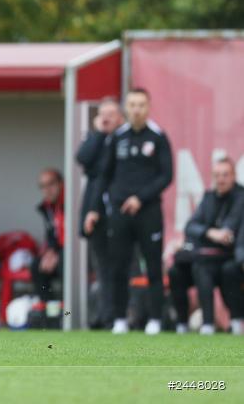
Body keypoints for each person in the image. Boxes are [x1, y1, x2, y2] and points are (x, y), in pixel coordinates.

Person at [100, 88, 173, 335]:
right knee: (118, 267)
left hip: (148, 211)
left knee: (153, 266)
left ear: (149, 107)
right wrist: (97, 208)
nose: (137, 109)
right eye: (132, 105)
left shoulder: (158, 137)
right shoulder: (117, 137)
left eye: (141, 104)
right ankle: (120, 318)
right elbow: (105, 175)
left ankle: (155, 319)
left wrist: (140, 198)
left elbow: (167, 175)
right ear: (126, 108)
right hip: (120, 213)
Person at [174, 158, 243, 335]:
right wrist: (210, 232)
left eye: (225, 175)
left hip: (233, 257)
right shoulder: (208, 197)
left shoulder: (241, 197)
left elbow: (231, 231)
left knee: (229, 270)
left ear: (234, 176)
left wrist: (221, 234)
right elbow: (191, 226)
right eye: (217, 175)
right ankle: (200, 324)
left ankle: (235, 321)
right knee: (178, 271)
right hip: (208, 257)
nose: (221, 179)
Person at [76, 97, 124, 328]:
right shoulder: (95, 139)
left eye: (111, 113)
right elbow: (82, 158)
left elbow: (108, 170)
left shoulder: (124, 140)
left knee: (123, 266)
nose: (106, 118)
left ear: (120, 117)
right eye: (102, 113)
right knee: (102, 268)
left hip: (121, 213)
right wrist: (97, 133)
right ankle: (106, 318)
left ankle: (125, 315)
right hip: (96, 212)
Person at [31, 168, 64, 302]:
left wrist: (58, 254)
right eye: (43, 186)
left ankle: (68, 313)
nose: (47, 190)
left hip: (75, 257)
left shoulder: (71, 203)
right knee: (37, 265)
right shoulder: (47, 207)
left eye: (51, 184)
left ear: (61, 184)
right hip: (58, 252)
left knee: (66, 262)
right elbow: (52, 236)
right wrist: (50, 252)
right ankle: (49, 312)